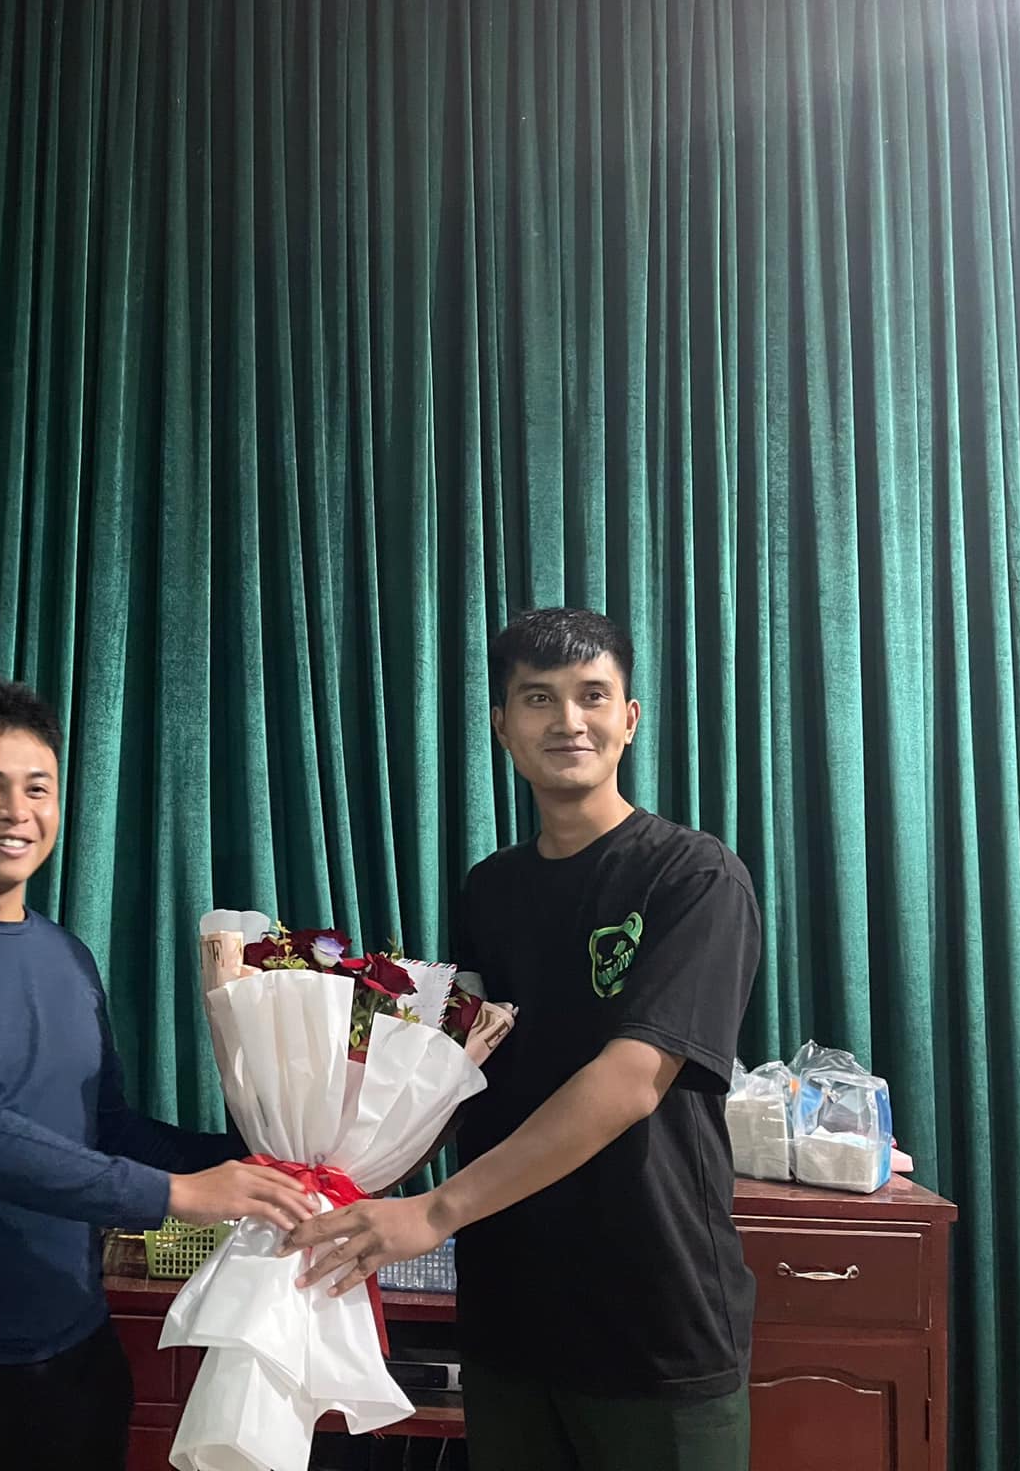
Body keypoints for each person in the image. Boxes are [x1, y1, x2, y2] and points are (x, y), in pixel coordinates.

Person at [282, 607, 762, 1471]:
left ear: (629, 719)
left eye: (592, 696)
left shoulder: (693, 876)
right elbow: (461, 1068)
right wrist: (334, 1163)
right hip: (510, 1314)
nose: (568, 720)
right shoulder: (491, 890)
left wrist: (432, 1211)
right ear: (503, 726)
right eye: (538, 698)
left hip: (654, 1319)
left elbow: (633, 1079)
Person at [0, 677, 314, 1471]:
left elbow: (108, 1129)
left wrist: (272, 1164)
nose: (17, 812)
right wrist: (180, 1195)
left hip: (74, 1359)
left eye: (37, 788)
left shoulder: (67, 957)